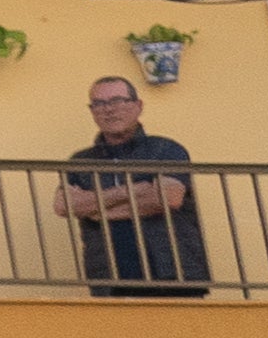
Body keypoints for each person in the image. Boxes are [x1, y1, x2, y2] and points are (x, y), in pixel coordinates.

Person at [63, 73, 210, 294]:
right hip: (111, 279)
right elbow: (65, 206)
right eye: (99, 103)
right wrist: (135, 190)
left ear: (138, 106)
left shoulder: (165, 149)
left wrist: (97, 209)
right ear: (92, 111)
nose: (109, 109)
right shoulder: (81, 161)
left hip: (173, 272)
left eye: (117, 101)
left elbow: (168, 199)